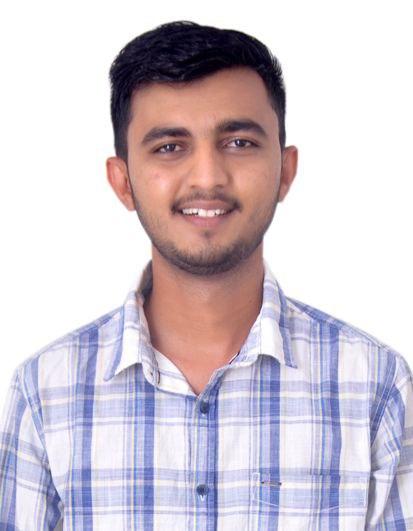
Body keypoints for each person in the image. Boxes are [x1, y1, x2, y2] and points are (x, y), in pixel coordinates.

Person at [0, 20, 412, 530]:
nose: (208, 177)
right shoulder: (46, 393)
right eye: (169, 147)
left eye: (238, 142)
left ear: (285, 171)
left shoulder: (373, 388)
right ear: (123, 182)